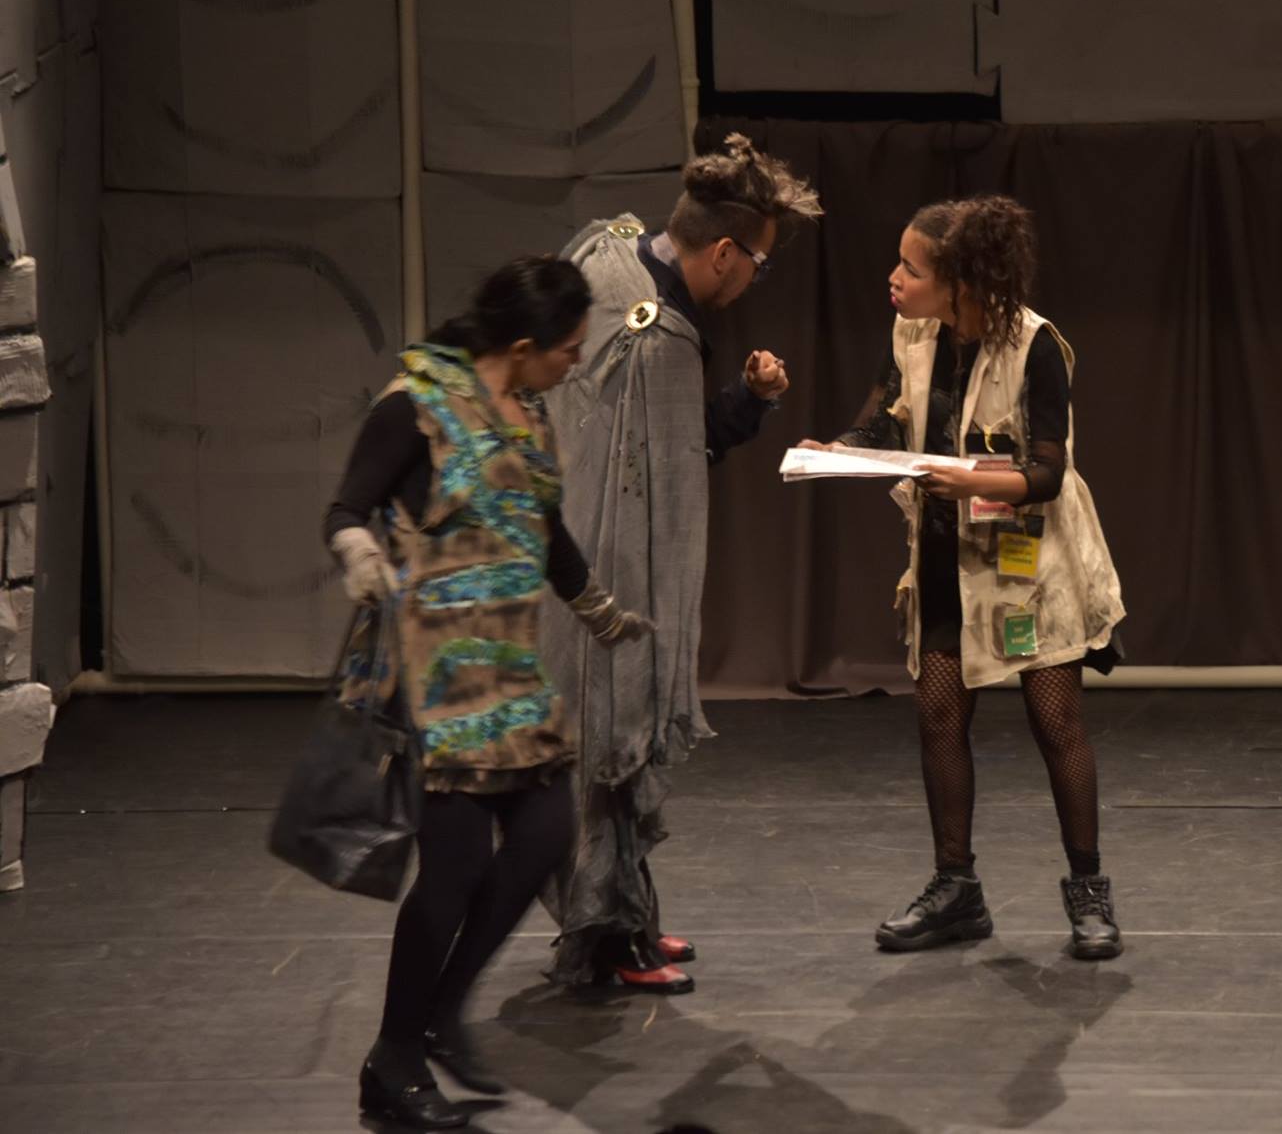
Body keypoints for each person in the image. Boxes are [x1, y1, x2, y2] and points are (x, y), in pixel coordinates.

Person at [324, 257, 650, 1129]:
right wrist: (359, 553)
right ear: (525, 342)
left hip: (507, 668)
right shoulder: (417, 404)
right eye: (569, 349)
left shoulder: (529, 412)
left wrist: (599, 611)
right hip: (436, 669)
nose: (575, 363)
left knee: (545, 834)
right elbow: (346, 508)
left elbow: (544, 527)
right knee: (457, 869)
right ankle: (394, 1058)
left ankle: (439, 1013)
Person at [803, 195, 1128, 960]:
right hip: (947, 557)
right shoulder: (912, 335)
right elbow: (884, 419)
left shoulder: (1035, 345)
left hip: (1031, 565)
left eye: (910, 269)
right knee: (940, 717)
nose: (893, 279)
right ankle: (956, 888)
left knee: (1056, 723)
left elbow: (1047, 472)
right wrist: (838, 449)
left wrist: (970, 479)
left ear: (960, 283)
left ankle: (1089, 890)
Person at [540, 133, 822, 993]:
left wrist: (749, 401)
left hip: (567, 546)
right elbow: (669, 464)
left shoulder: (610, 251)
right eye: (758, 264)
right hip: (610, 568)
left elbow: (670, 445)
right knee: (614, 731)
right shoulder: (661, 339)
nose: (753, 280)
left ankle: (627, 909)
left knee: (600, 738)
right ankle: (603, 935)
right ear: (725, 252)